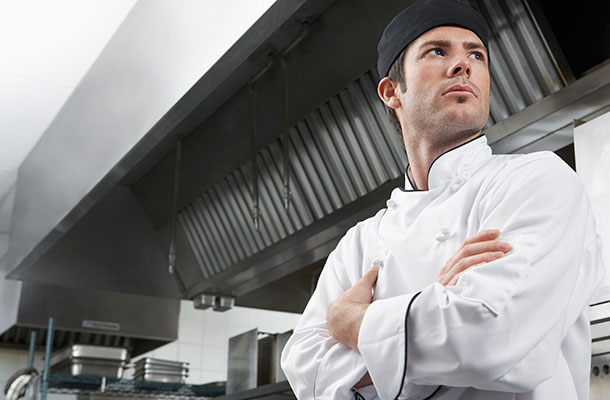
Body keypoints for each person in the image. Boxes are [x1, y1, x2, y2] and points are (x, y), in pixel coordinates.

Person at [280, 0, 605, 399]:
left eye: (476, 54)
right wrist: (436, 309)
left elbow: (490, 337)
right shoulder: (359, 243)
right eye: (438, 51)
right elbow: (305, 370)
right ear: (391, 91)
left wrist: (350, 322)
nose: (463, 65)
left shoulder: (536, 181)